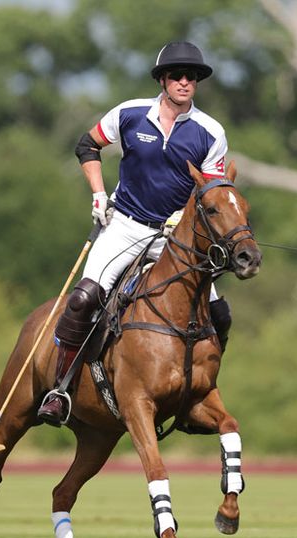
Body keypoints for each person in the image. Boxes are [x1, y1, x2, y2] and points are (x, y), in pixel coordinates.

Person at [38, 41, 232, 427]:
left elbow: (213, 191)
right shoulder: (129, 114)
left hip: (176, 239)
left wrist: (183, 217)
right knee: (83, 299)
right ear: (162, 80)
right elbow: (87, 145)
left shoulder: (210, 132)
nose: (184, 82)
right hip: (125, 226)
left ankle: (197, 396)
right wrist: (97, 195)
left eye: (191, 77)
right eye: (176, 75)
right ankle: (60, 389)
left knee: (220, 314)